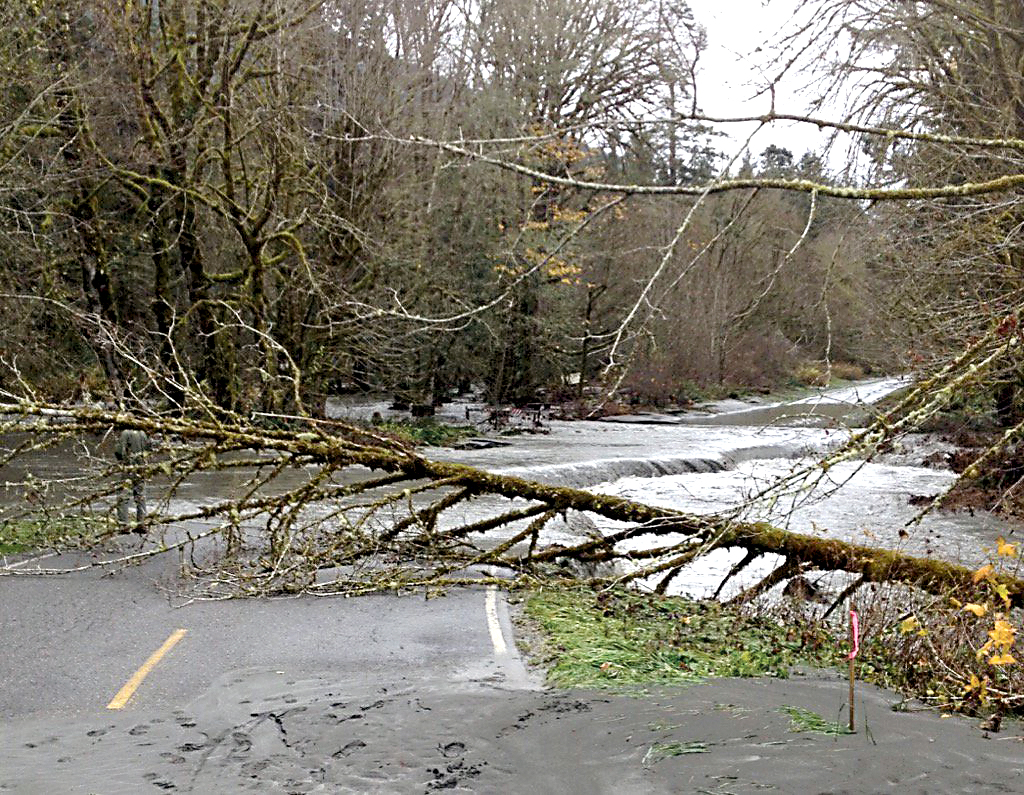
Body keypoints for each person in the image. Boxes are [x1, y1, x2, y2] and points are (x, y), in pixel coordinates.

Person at [115, 429, 149, 530]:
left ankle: (123, 524)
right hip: (141, 467)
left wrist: (122, 461)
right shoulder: (143, 433)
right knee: (141, 495)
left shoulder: (125, 433)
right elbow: (148, 448)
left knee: (123, 495)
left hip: (128, 467)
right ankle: (141, 523)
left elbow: (119, 450)